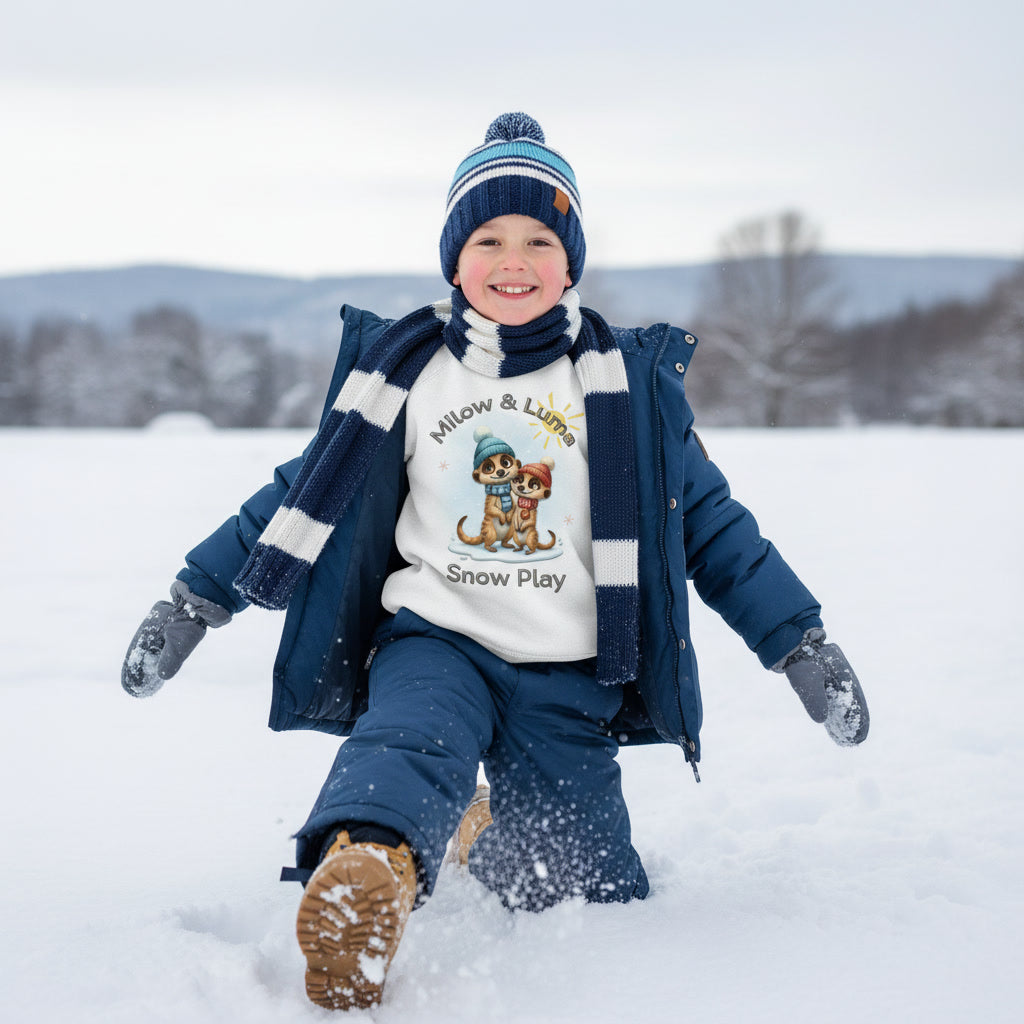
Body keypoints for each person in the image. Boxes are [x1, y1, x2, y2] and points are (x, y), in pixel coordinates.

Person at [122, 112, 869, 1011]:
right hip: (435, 637)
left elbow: (714, 529)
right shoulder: (407, 376)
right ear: (454, 259)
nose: (513, 260)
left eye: (539, 239)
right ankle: (368, 875)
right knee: (405, 745)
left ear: (571, 261)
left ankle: (481, 833)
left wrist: (800, 642)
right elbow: (295, 497)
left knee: (584, 889)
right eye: (488, 238)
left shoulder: (623, 386)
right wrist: (194, 600)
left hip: (569, 671)